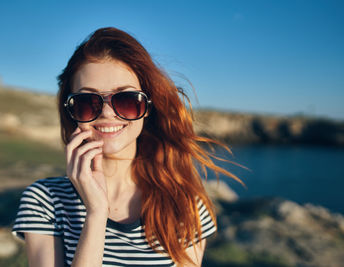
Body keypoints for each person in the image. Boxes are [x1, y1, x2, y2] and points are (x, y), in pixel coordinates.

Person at [12, 27, 238, 267]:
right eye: (88, 102)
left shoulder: (184, 205)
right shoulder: (44, 200)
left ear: (147, 108)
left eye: (127, 100)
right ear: (72, 112)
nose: (107, 113)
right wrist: (96, 214)